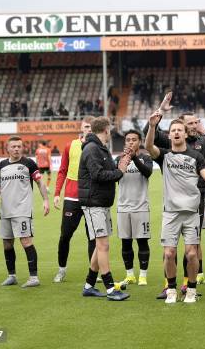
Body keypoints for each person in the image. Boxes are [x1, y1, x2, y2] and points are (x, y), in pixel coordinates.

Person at [149, 90, 205, 297]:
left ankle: (190, 283)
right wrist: (160, 111)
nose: (195, 125)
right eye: (191, 122)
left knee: (194, 245)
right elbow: (149, 135)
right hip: (176, 200)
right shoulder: (171, 145)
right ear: (183, 127)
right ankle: (169, 284)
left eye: (196, 122)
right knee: (171, 248)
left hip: (202, 198)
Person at [80, 117, 130, 301]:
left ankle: (89, 285)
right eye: (110, 129)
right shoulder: (92, 148)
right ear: (106, 129)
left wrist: (120, 165)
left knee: (100, 246)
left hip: (101, 202)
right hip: (94, 202)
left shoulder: (99, 148)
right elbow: (98, 174)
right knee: (103, 245)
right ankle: (110, 288)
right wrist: (120, 172)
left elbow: (105, 170)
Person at [0, 136, 50, 288]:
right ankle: (12, 275)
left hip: (22, 210)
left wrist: (45, 200)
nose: (16, 149)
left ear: (22, 148)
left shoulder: (28, 163)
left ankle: (34, 277)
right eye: (13, 146)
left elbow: (40, 182)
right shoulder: (2, 165)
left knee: (26, 241)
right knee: (7, 244)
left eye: (19, 146)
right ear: (8, 149)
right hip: (5, 211)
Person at [53, 116, 96, 283]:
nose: (89, 130)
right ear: (81, 128)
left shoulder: (99, 146)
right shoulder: (70, 145)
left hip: (92, 197)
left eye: (92, 127)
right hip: (72, 197)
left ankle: (94, 271)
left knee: (93, 236)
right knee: (65, 235)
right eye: (86, 127)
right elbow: (62, 170)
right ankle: (61, 270)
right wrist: (57, 193)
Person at [115, 130, 153, 287]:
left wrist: (134, 157)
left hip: (141, 207)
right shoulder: (118, 159)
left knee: (142, 242)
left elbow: (147, 172)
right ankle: (129, 274)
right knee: (126, 243)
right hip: (123, 207)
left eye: (134, 140)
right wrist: (122, 164)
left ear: (140, 142)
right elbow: (114, 176)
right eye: (128, 140)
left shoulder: (146, 158)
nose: (130, 142)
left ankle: (143, 275)